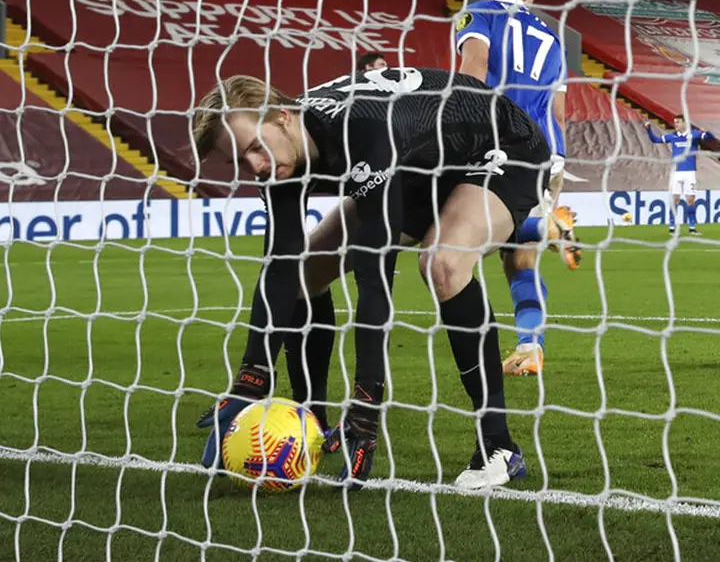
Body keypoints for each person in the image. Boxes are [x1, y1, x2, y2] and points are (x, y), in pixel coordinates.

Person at [192, 65, 560, 490]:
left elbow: (374, 275)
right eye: (240, 159)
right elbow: (279, 264)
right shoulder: (277, 158)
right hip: (421, 162)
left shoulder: (362, 129)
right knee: (305, 272)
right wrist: (251, 376)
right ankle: (310, 420)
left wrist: (366, 406)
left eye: (256, 148)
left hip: (501, 147)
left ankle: (499, 446)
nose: (254, 166)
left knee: (443, 263)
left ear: (282, 117)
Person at [455, 0, 576, 377]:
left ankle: (543, 226)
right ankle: (530, 346)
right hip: (548, 154)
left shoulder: (478, 13)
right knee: (520, 262)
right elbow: (559, 110)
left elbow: (474, 70)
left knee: (455, 245)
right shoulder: (553, 35)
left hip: (499, 146)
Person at [644, 114, 714, 235]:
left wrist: (707, 132)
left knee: (690, 200)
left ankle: (692, 228)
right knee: (675, 199)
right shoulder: (672, 136)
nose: (675, 124)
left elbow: (710, 137)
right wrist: (648, 129)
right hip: (676, 173)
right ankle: (672, 227)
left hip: (689, 172)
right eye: (675, 122)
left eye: (677, 122)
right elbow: (655, 140)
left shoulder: (694, 134)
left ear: (684, 123)